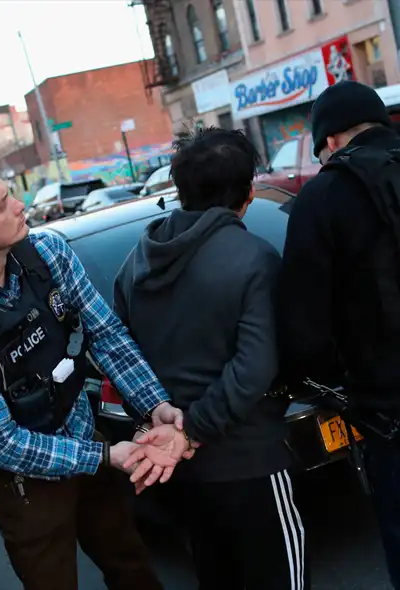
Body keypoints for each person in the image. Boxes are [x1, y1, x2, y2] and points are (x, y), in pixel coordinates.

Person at [0, 165, 188, 590]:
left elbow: (106, 335)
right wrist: (103, 457)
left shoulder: (47, 253)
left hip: (84, 435)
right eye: (4, 204)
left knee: (132, 565)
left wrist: (156, 404)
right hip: (26, 483)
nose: (21, 206)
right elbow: (2, 443)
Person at [115, 127, 308, 590]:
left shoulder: (134, 264)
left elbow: (121, 358)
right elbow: (254, 368)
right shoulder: (255, 259)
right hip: (250, 464)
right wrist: (194, 431)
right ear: (247, 193)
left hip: (179, 473)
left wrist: (174, 434)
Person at [278, 80, 400, 587]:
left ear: (329, 141)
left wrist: (340, 384)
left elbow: (304, 331)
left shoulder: (320, 201)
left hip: (389, 409)